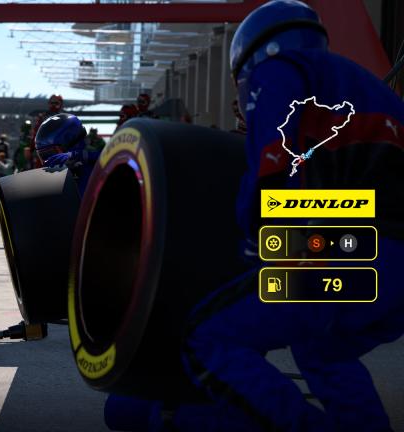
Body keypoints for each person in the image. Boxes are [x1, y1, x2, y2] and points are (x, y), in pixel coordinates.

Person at [106, 1, 404, 431]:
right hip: (389, 266)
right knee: (322, 350)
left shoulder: (278, 71)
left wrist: (252, 235)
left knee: (209, 337)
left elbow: (271, 165)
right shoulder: (364, 90)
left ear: (250, 59)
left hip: (355, 248)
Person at [34, 113, 100, 195]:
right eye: (42, 155)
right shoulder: (48, 182)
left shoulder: (95, 168)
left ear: (72, 144)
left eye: (51, 153)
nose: (48, 161)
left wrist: (76, 155)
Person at [30, 94, 64, 167]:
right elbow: (36, 132)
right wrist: (31, 148)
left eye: (56, 103)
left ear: (60, 104)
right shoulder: (43, 117)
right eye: (52, 103)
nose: (53, 105)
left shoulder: (65, 117)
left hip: (60, 148)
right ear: (49, 104)